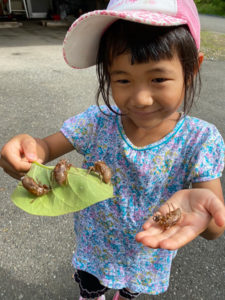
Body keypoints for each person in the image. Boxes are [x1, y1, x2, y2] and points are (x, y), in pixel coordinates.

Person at [1, 0, 225, 299]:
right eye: (122, 80)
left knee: (131, 291)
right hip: (95, 250)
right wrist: (28, 150)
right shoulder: (96, 123)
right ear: (107, 74)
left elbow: (213, 228)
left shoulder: (200, 140)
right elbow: (42, 149)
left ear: (192, 69)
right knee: (91, 287)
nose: (141, 98)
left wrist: (206, 213)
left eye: (158, 78)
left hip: (146, 253)